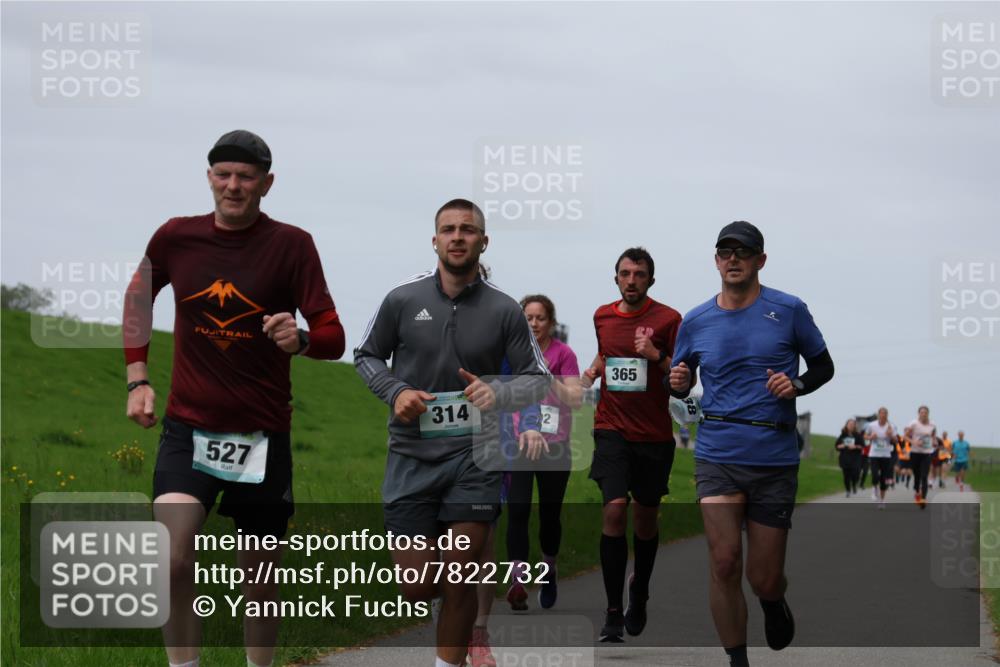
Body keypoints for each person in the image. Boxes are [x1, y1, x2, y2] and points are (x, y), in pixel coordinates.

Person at [122, 130, 346, 667]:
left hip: (262, 436)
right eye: (223, 174)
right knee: (171, 558)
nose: (233, 186)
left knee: (260, 580)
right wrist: (138, 378)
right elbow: (138, 297)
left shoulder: (293, 245)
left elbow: (333, 335)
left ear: (266, 184)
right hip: (188, 428)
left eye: (246, 177)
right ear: (209, 178)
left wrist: (304, 339)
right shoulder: (176, 238)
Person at [353, 199, 549, 667]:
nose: (458, 236)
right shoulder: (403, 299)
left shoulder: (504, 309)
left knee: (459, 573)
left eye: (468, 229)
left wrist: (498, 393)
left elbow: (538, 379)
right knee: (417, 586)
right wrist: (395, 390)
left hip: (475, 458)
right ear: (435, 239)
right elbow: (366, 355)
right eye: (449, 229)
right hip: (411, 456)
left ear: (484, 241)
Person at [669, 221, 834, 667]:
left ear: (760, 260)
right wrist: (679, 383)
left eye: (743, 252)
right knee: (724, 562)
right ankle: (737, 659)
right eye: (726, 251)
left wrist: (796, 383)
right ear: (716, 259)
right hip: (718, 454)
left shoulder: (790, 309)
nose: (734, 259)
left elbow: (823, 366)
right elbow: (680, 381)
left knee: (763, 577)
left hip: (773, 456)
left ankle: (772, 600)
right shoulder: (697, 320)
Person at [580, 247, 682, 643]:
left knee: (645, 520)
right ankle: (611, 611)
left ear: (650, 280)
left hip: (653, 435)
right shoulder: (602, 316)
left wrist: (656, 356)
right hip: (611, 429)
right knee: (614, 510)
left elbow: (682, 375)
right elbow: (607, 354)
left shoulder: (670, 319)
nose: (631, 280)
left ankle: (638, 592)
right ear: (616, 278)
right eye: (625, 273)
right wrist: (592, 371)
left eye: (639, 274)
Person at [505, 294, 582, 611]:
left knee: (549, 516)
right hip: (519, 442)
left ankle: (548, 570)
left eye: (540, 318)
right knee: (518, 512)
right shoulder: (511, 351)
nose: (534, 323)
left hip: (555, 446)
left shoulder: (564, 354)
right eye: (528, 318)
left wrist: (547, 377)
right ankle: (517, 582)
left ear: (551, 322)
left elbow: (575, 399)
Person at [863, 408, 896, 510]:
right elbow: (865, 436)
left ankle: (882, 500)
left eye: (885, 414)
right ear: (878, 415)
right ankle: (874, 489)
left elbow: (896, 440)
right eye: (881, 414)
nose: (882, 416)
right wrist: (870, 437)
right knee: (875, 474)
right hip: (874, 454)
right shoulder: (872, 425)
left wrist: (891, 435)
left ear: (887, 415)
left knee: (883, 479)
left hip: (886, 455)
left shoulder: (891, 426)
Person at [905, 406, 938, 509]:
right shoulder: (913, 423)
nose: (923, 414)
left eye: (925, 412)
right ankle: (917, 491)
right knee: (917, 476)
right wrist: (914, 442)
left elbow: (933, 436)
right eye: (922, 412)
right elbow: (905, 436)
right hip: (915, 452)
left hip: (927, 453)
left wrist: (934, 441)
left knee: (924, 476)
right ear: (918, 414)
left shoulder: (932, 424)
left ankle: (923, 498)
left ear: (928, 414)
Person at [834, 419, 863, 497]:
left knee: (855, 474)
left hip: (855, 458)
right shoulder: (843, 435)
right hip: (845, 458)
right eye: (849, 424)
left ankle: (854, 485)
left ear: (854, 426)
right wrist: (842, 446)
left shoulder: (858, 435)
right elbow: (837, 446)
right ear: (846, 425)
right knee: (846, 476)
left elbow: (862, 446)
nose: (850, 425)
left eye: (852, 424)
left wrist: (855, 446)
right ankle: (848, 490)